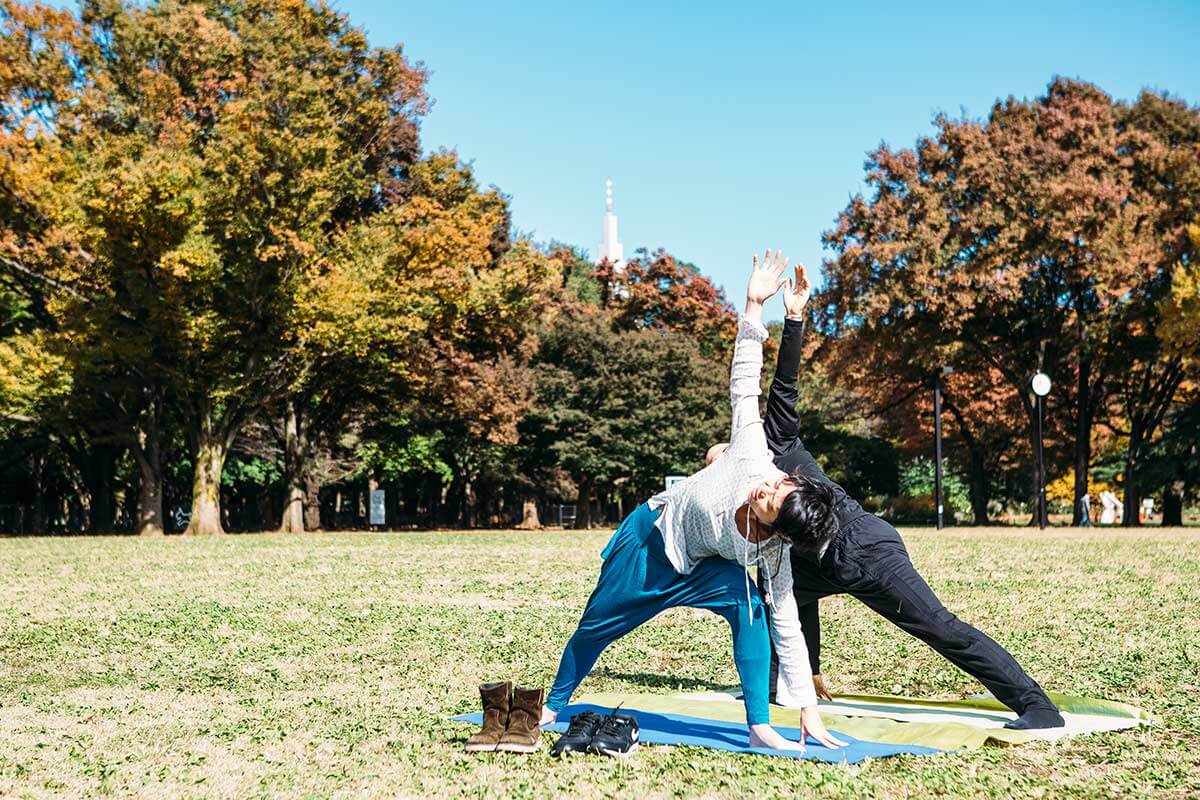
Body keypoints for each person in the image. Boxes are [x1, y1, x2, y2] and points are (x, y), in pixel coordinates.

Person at [730, 261, 1064, 731]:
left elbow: (784, 385)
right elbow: (795, 584)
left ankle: (1036, 706)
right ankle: (783, 682)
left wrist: (794, 319)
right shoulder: (746, 488)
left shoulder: (779, 445)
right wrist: (814, 666)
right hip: (819, 558)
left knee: (937, 627)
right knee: (776, 587)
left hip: (864, 548)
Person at [542, 251, 847, 751]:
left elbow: (789, 621)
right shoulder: (752, 457)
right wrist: (754, 306)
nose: (765, 487)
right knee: (597, 625)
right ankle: (555, 701)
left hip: (703, 567)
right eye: (775, 485)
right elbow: (744, 383)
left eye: (771, 499)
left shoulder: (772, 553)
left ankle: (759, 724)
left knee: (754, 608)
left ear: (778, 530)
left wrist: (808, 712)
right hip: (653, 543)